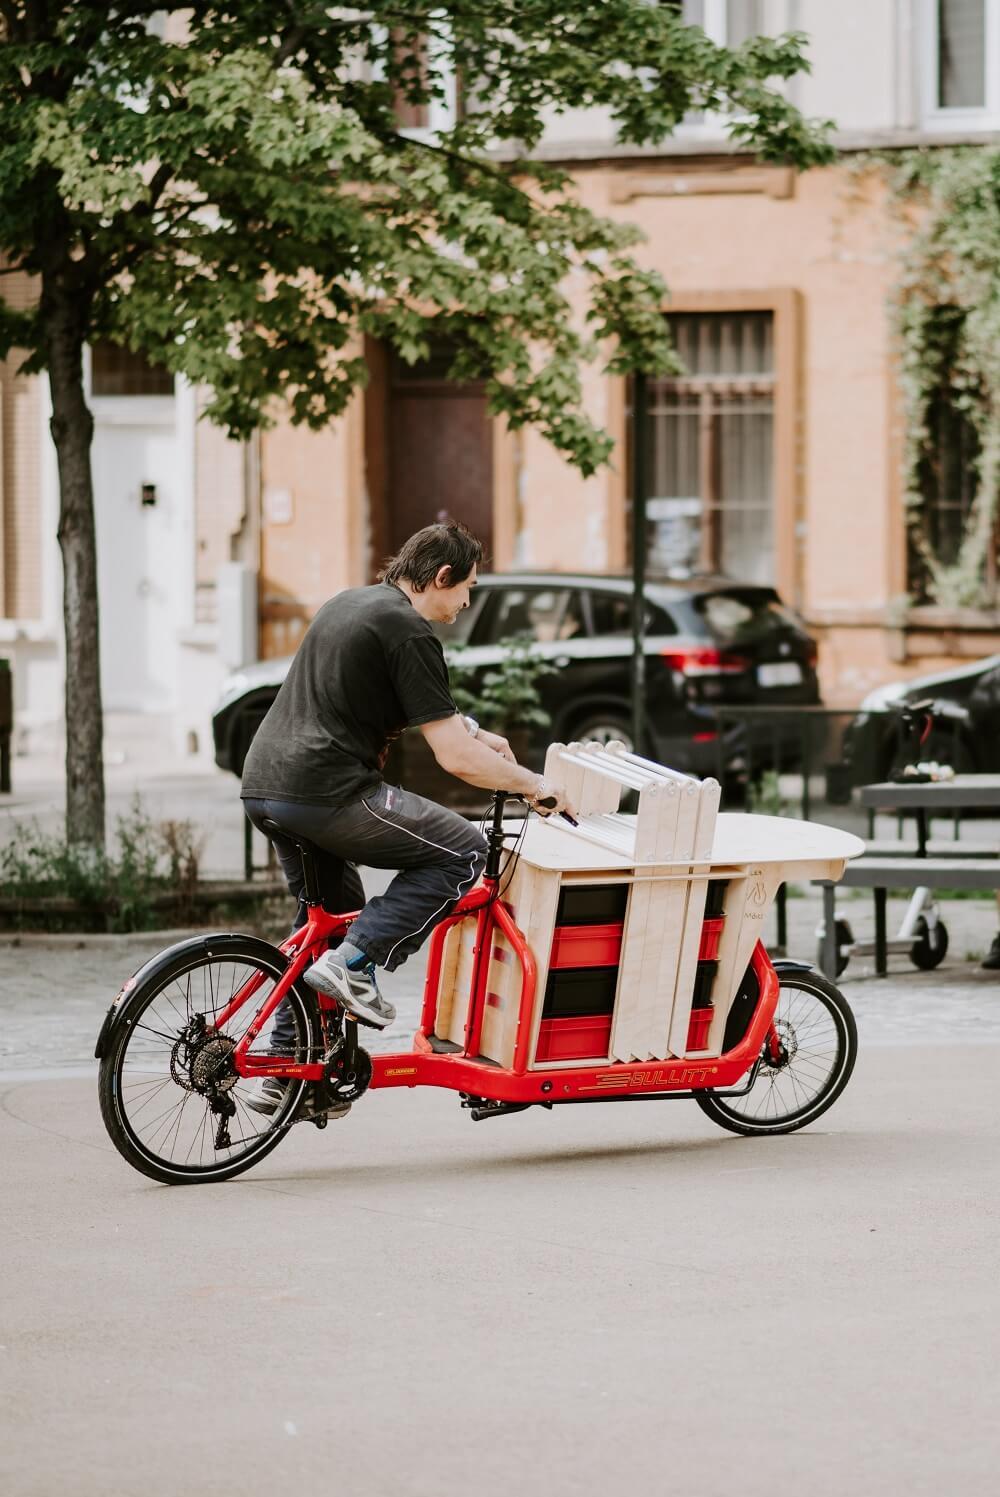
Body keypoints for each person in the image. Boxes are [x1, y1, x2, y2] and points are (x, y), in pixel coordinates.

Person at [240, 522, 575, 1115]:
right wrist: (535, 787)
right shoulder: (410, 631)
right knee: (462, 849)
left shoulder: (352, 604)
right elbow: (452, 760)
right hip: (329, 789)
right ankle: (356, 966)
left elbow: (404, 707)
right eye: (466, 588)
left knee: (330, 918)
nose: (467, 602)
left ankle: (292, 1071)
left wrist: (476, 733)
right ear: (441, 578)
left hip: (267, 787)